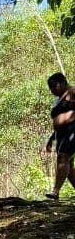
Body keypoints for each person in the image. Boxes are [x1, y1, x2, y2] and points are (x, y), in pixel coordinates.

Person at [45, 72, 75, 200]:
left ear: (62, 82)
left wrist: (70, 116)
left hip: (73, 131)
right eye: (50, 87)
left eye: (54, 86)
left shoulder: (72, 92)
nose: (52, 90)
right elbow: (57, 123)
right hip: (62, 135)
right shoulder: (58, 99)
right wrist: (52, 139)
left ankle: (55, 191)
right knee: (69, 169)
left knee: (63, 159)